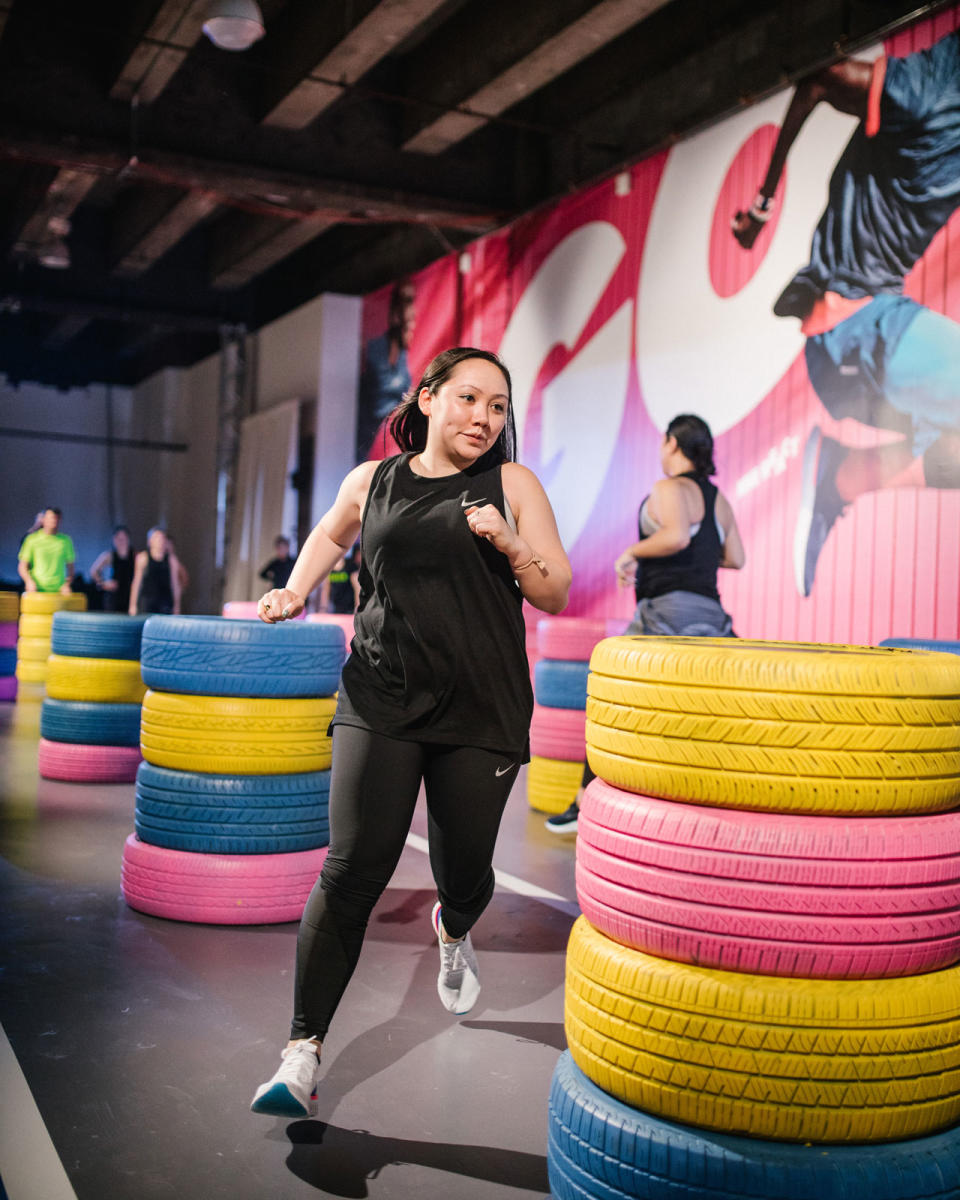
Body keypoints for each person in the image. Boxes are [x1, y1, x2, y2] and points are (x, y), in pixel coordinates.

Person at [250, 346, 571, 1118]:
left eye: (497, 407)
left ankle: (454, 929)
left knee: (465, 872)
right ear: (428, 399)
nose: (484, 418)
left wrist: (510, 542)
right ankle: (301, 1052)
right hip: (380, 696)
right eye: (468, 399)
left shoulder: (513, 485)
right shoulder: (374, 480)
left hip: (482, 710)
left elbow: (554, 590)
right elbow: (331, 534)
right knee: (353, 867)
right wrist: (294, 589)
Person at [732, 32, 960, 596]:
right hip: (854, 329)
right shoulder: (930, 89)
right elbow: (818, 78)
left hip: (863, 357)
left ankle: (844, 475)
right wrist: (763, 198)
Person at [545, 414, 744, 835]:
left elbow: (675, 536)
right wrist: (701, 558)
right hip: (711, 615)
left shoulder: (668, 487)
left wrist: (630, 553)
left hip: (665, 613)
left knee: (611, 699)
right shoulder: (717, 499)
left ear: (672, 443)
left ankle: (584, 802)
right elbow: (735, 557)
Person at [356, 281, 416, 459]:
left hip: (386, 444)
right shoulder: (374, 349)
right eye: (407, 301)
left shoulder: (406, 355)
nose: (412, 311)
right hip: (363, 440)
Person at [17, 507, 75, 594]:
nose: (54, 521)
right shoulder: (32, 539)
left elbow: (71, 568)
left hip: (58, 591)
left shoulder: (66, 541)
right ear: (43, 520)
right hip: (36, 589)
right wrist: (29, 581)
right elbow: (22, 566)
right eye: (51, 518)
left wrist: (66, 585)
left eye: (56, 518)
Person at [129, 527, 182, 616]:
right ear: (150, 541)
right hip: (147, 603)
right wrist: (133, 605)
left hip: (165, 603)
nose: (159, 541)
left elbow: (175, 585)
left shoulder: (171, 560)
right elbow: (137, 583)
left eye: (162, 538)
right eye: (156, 538)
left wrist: (177, 606)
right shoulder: (143, 558)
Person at [90, 526, 135, 614]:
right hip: (114, 597)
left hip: (130, 596)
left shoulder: (135, 556)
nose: (121, 541)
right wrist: (103, 584)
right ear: (114, 540)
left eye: (124, 538)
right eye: (119, 539)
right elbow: (93, 571)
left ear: (128, 539)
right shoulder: (109, 555)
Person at [318, 542, 360, 614]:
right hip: (336, 608)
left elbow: (357, 588)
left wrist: (358, 607)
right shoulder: (329, 567)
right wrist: (323, 608)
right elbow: (326, 589)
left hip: (350, 609)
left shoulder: (350, 566)